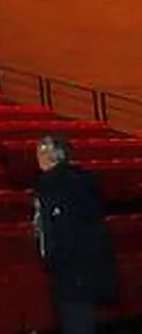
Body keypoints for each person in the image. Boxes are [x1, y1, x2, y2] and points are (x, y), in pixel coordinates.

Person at [33, 135, 118, 334]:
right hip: (89, 264)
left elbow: (57, 229)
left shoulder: (52, 185)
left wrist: (53, 259)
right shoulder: (83, 181)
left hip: (71, 268)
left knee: (77, 320)